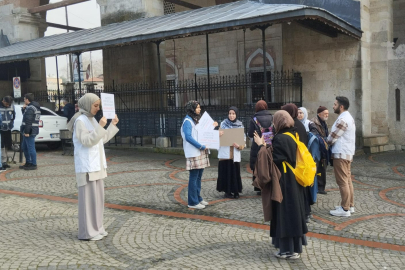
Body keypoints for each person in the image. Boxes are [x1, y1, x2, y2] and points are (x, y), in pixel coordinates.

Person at [254, 110, 307, 259]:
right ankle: (293, 248)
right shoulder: (293, 134)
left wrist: (261, 146)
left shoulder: (281, 138)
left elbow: (273, 160)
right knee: (293, 212)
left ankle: (287, 250)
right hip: (293, 178)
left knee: (285, 214)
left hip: (284, 181)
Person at [67, 93, 119, 241]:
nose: (98, 108)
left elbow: (101, 139)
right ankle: (87, 232)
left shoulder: (92, 119)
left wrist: (112, 125)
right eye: (95, 105)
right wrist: (101, 126)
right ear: (87, 105)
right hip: (87, 167)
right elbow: (87, 141)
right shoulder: (80, 121)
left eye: (99, 106)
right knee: (88, 201)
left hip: (97, 165)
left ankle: (97, 228)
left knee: (97, 200)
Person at [181, 100, 217, 210]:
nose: (199, 109)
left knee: (198, 176)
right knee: (194, 177)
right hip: (194, 151)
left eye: (199, 107)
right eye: (197, 107)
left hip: (200, 151)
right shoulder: (187, 121)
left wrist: (212, 126)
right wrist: (200, 146)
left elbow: (202, 132)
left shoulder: (195, 119)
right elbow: (188, 137)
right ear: (192, 109)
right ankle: (192, 201)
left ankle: (198, 198)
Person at [281, 103, 312, 222]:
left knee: (298, 189)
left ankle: (303, 213)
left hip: (296, 161)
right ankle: (306, 212)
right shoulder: (299, 124)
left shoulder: (293, 125)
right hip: (301, 160)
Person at [328, 96, 356, 217]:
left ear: (341, 106)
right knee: (348, 180)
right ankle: (350, 205)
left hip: (341, 154)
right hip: (347, 152)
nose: (333, 106)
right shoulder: (347, 117)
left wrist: (326, 141)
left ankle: (345, 209)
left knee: (343, 182)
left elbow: (333, 137)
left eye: (335, 104)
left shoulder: (343, 119)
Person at [216, 106, 245, 199]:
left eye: (233, 114)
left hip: (235, 152)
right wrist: (218, 134)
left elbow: (243, 139)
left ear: (236, 114)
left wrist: (239, 145)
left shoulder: (240, 125)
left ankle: (236, 191)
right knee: (226, 172)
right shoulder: (223, 124)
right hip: (225, 153)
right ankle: (227, 191)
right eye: (230, 113)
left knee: (235, 172)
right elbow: (218, 138)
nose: (231, 116)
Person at [248, 100, 273, 195]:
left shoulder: (254, 119)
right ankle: (269, 184)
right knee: (268, 163)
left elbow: (250, 133)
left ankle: (258, 187)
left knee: (257, 164)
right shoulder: (272, 117)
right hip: (269, 144)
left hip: (257, 144)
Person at [309, 106, 329, 195]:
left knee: (323, 167)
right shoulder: (313, 122)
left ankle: (321, 187)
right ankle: (315, 186)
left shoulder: (324, 122)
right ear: (319, 114)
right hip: (317, 148)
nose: (327, 115)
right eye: (325, 113)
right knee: (316, 167)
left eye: (327, 113)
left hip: (323, 147)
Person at [19, 93, 40, 170]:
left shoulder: (31, 108)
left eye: (24, 99)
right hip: (30, 129)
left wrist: (27, 132)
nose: (24, 100)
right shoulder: (33, 107)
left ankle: (33, 164)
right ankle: (28, 162)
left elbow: (28, 120)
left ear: (27, 99)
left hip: (30, 130)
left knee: (30, 147)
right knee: (24, 147)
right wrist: (23, 109)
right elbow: (26, 117)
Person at [0, 96, 15, 169]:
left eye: (9, 104)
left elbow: (13, 115)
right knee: (1, 146)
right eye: (7, 104)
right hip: (1, 129)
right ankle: (2, 162)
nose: (8, 105)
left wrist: (11, 123)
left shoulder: (11, 106)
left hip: (8, 128)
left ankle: (5, 161)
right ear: (3, 101)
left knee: (6, 145)